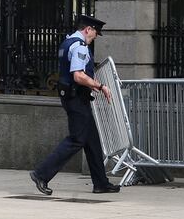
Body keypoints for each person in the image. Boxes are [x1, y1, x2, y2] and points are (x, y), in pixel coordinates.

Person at [29, 15, 120, 196]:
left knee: (92, 140)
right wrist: (100, 86)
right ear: (88, 29)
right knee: (77, 140)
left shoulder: (67, 42)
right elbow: (78, 75)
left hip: (74, 97)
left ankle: (101, 183)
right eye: (95, 33)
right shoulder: (80, 46)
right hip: (76, 98)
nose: (95, 37)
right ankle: (41, 174)